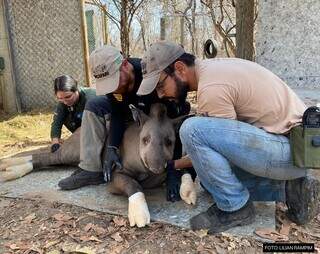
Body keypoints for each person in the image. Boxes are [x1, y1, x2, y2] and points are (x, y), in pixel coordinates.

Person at [136, 41, 320, 233]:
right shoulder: (213, 70)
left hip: (291, 152)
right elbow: (215, 158)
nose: (160, 94)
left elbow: (215, 150)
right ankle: (290, 190)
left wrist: (172, 165)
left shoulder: (211, 88)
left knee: (192, 129)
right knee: (211, 183)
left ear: (180, 68)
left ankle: (236, 208)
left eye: (160, 85)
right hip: (295, 150)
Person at [58, 45, 192, 202]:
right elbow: (117, 113)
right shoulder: (113, 89)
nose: (113, 87)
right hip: (130, 112)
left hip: (154, 117)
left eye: (114, 80)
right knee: (94, 105)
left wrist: (172, 173)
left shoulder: (148, 73)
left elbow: (169, 130)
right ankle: (91, 169)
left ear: (125, 65)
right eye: (108, 83)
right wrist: (112, 148)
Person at [51, 75, 96, 152]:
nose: (65, 101)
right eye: (60, 98)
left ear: (76, 90)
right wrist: (55, 143)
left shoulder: (90, 98)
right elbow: (56, 123)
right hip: (81, 131)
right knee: (61, 114)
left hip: (96, 127)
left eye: (68, 97)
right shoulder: (63, 102)